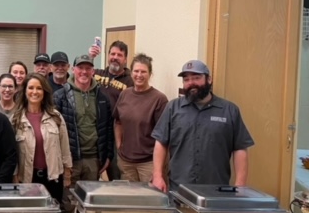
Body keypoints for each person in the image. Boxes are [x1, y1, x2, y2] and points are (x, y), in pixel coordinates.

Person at [151, 60, 254, 192]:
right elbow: (161, 142)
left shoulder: (229, 110)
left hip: (217, 190)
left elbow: (240, 148)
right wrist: (157, 176)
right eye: (186, 79)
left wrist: (240, 185)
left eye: (196, 77)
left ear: (209, 79)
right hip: (179, 189)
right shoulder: (173, 108)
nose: (191, 83)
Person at [54, 55, 113, 212]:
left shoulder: (102, 98)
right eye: (80, 68)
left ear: (93, 71)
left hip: (93, 160)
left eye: (88, 68)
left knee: (89, 206)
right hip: (70, 161)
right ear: (74, 70)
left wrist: (107, 156)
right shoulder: (60, 96)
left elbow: (108, 128)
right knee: (68, 205)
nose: (84, 72)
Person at [12, 74, 72, 205]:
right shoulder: (16, 119)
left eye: (39, 88)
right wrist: (15, 176)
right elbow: (12, 154)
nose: (35, 92)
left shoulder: (56, 117)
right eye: (31, 88)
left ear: (44, 92)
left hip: (53, 178)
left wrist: (67, 174)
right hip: (27, 179)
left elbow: (65, 147)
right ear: (25, 91)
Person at [112, 53, 168, 182]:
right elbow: (118, 122)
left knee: (149, 195)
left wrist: (159, 168)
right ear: (131, 73)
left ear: (150, 74)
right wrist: (119, 145)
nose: (139, 75)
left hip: (148, 163)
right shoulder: (125, 94)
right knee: (128, 194)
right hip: (126, 162)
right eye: (136, 71)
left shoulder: (159, 99)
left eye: (143, 72)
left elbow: (164, 135)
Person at [89, 40, 134, 181]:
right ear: (108, 55)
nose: (115, 57)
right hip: (97, 130)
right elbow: (81, 74)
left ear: (125, 59)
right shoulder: (97, 74)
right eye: (112, 54)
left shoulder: (130, 81)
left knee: (116, 172)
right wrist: (91, 57)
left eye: (119, 55)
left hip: (117, 132)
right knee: (93, 169)